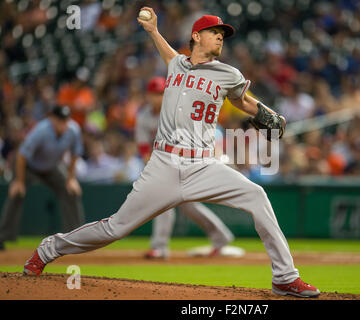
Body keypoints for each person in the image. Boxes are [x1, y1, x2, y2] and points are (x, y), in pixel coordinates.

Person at [23, 10, 320, 298]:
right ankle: (49, 249)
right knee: (115, 227)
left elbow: (242, 102)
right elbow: (167, 51)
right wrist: (153, 30)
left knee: (257, 196)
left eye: (222, 35)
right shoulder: (176, 64)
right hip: (163, 164)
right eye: (214, 32)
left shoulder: (228, 73)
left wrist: (269, 114)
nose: (220, 38)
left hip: (203, 165)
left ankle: (284, 278)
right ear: (196, 36)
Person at [136, 77, 236, 258]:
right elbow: (143, 148)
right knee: (187, 206)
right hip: (164, 162)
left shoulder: (175, 111)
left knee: (167, 203)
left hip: (186, 159)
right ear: (148, 95)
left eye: (161, 93)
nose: (158, 97)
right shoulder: (143, 117)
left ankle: (159, 247)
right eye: (155, 94)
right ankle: (221, 237)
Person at [0, 106, 85, 250]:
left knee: (70, 191)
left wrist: (71, 178)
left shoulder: (73, 130)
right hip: (28, 166)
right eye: (60, 120)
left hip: (52, 166)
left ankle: (76, 238)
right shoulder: (41, 130)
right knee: (16, 193)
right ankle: (2, 236)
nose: (63, 123)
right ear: (52, 118)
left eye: (65, 120)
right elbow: (21, 156)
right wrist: (19, 181)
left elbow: (75, 153)